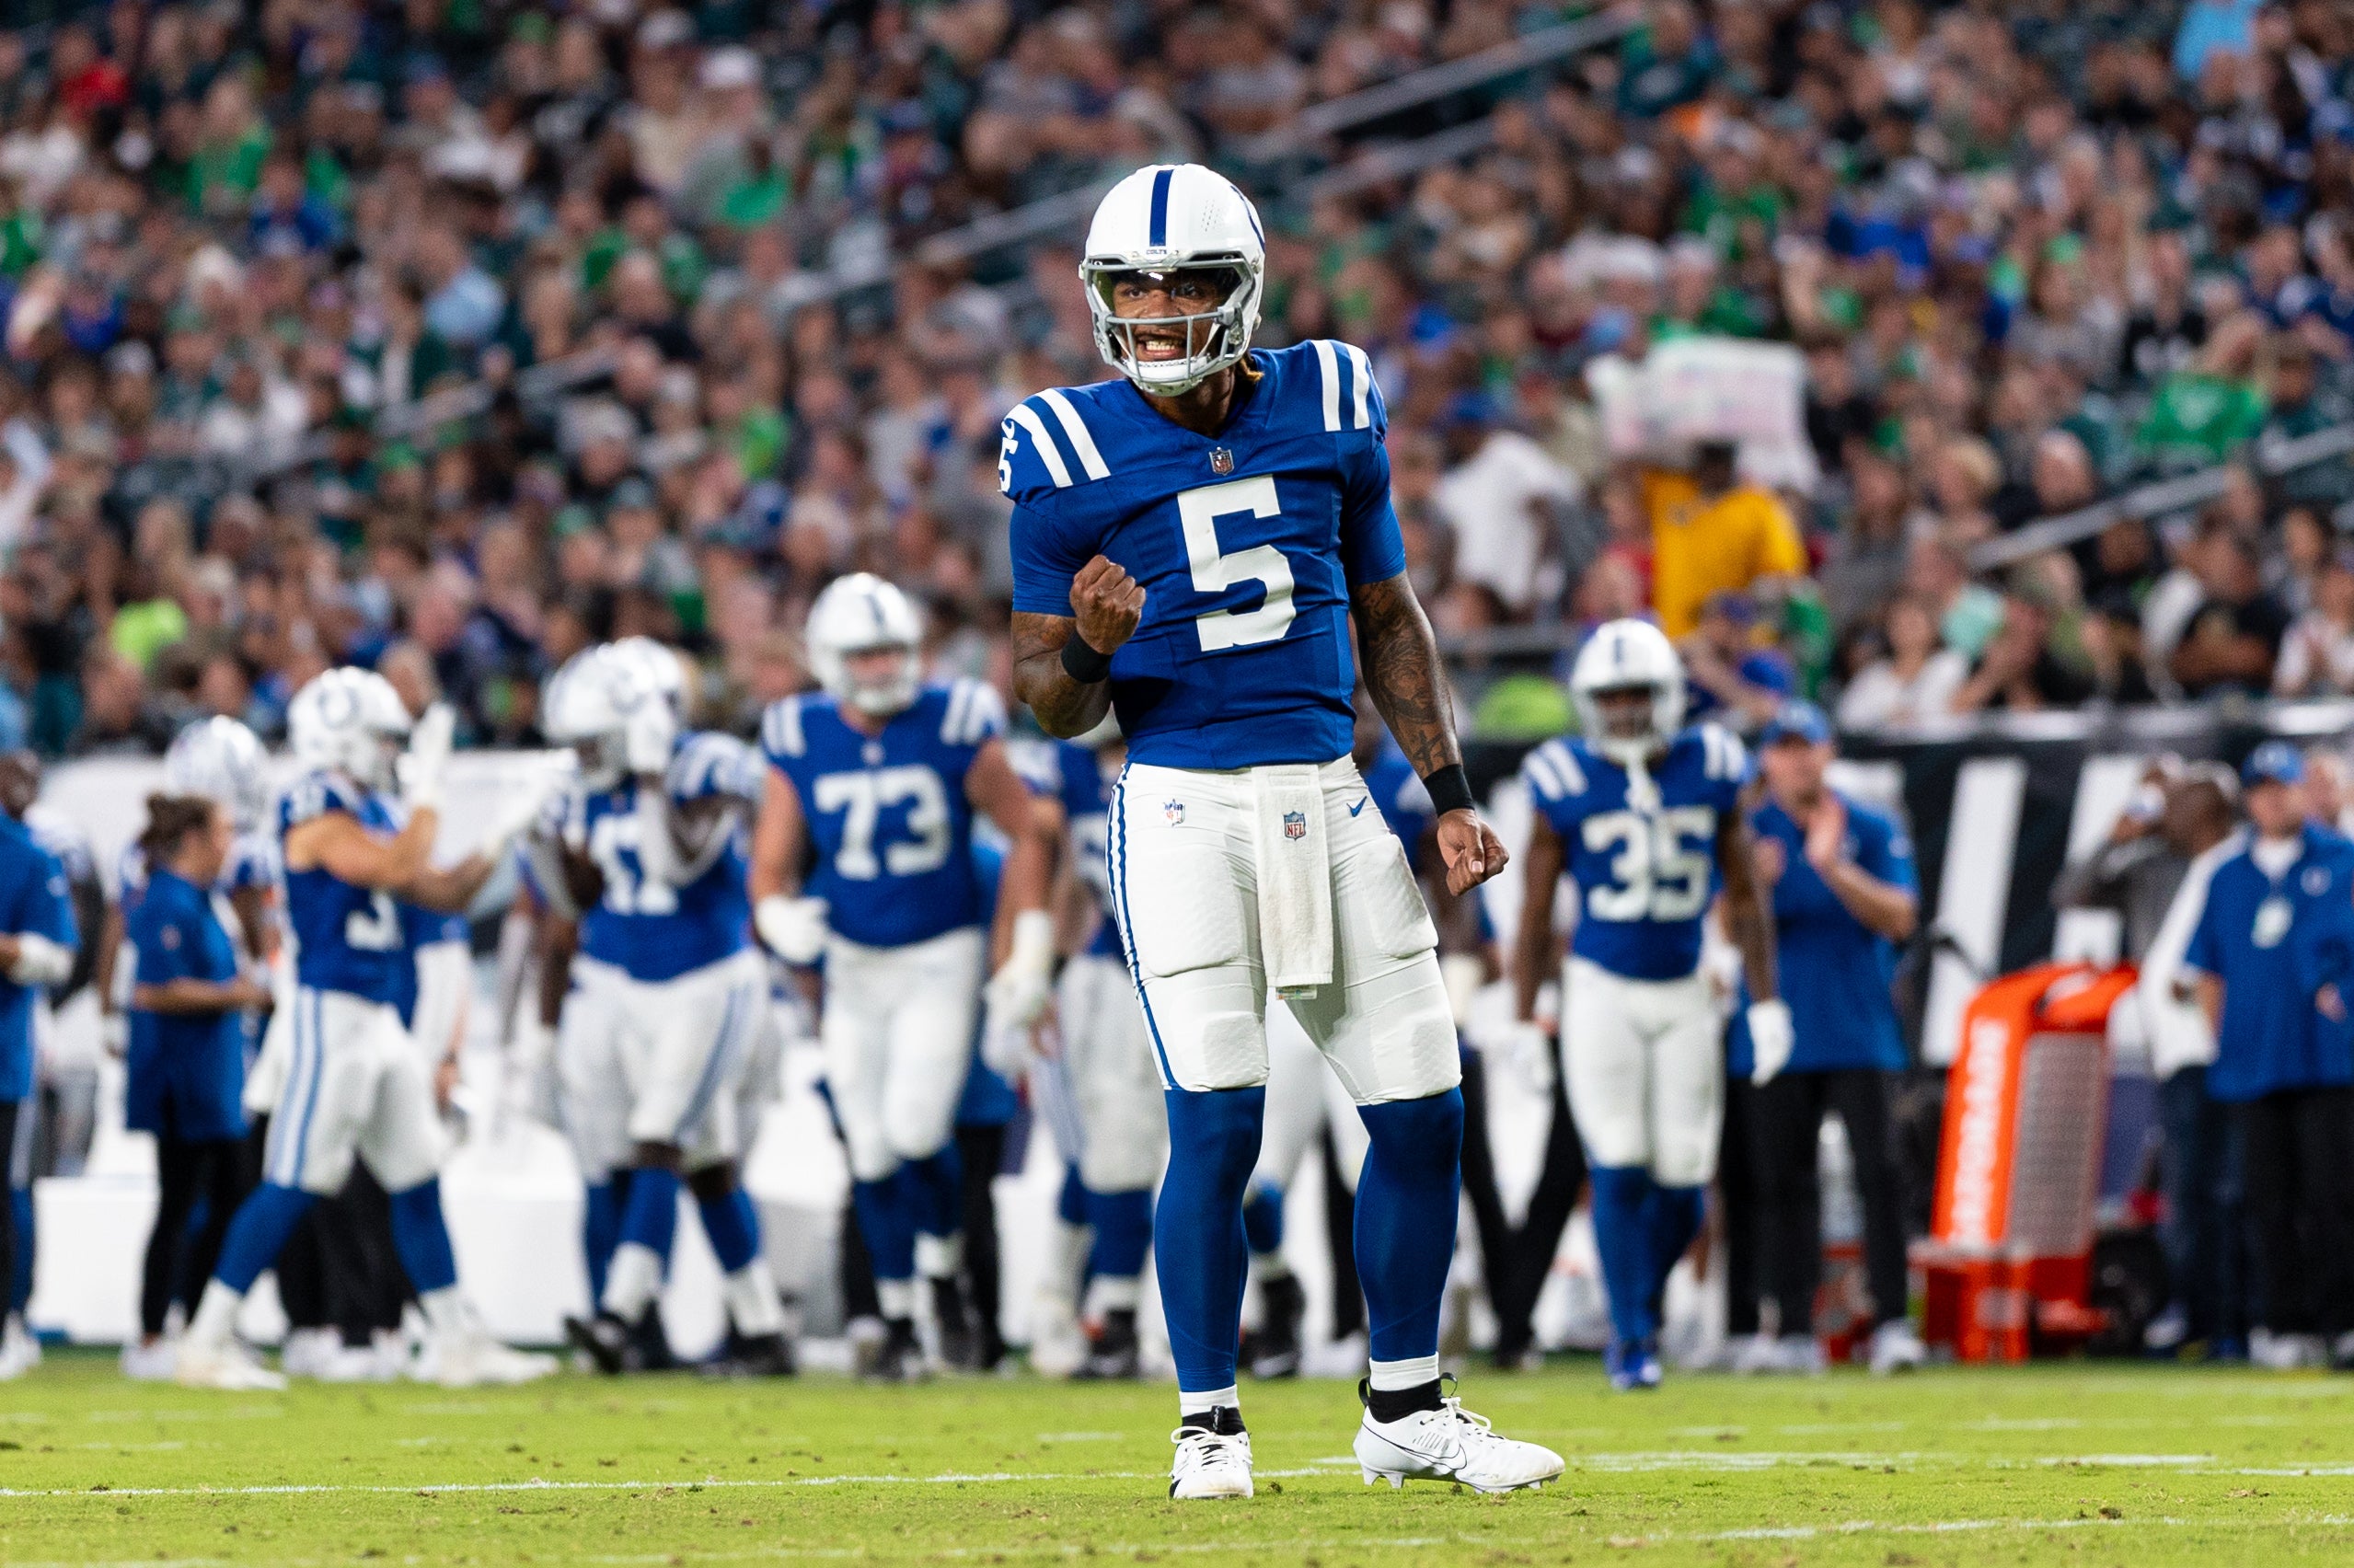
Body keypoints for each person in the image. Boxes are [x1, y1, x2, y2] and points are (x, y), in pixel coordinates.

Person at [1005, 162, 1560, 1499]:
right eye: (1128, 286)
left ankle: (1407, 1410)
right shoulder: (1060, 444)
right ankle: (1206, 1424)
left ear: (1240, 287)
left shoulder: (1328, 394)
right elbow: (1043, 705)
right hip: (1183, 806)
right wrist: (1087, 641)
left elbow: (1385, 611)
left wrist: (1450, 795)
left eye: (1181, 280)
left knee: (1423, 1110)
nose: (1151, 308)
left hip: (1330, 792)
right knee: (1218, 1118)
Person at [174, 669, 556, 1389]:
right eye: (382, 736)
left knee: (416, 1179)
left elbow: (440, 890)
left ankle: (453, 1343)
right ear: (343, 737)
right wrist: (434, 792)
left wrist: (504, 832)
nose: (393, 750)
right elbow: (400, 863)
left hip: (377, 1016)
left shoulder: (369, 810)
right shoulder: (313, 805)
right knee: (295, 1181)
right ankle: (205, 1340)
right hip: (331, 1014)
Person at [751, 574, 1055, 1381]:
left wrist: (1025, 945)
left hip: (939, 955)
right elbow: (770, 863)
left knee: (920, 1131)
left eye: (894, 650)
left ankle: (944, 1272)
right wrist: (776, 915)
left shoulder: (955, 720)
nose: (885, 667)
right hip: (853, 964)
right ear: (828, 658)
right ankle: (892, 1316)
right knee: (872, 1149)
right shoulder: (797, 731)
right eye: (867, 653)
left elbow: (1027, 831)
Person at [1509, 618, 1783, 1390]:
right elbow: (1535, 912)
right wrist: (1526, 1017)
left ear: (1668, 697)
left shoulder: (1715, 763)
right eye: (1611, 697)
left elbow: (1749, 895)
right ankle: (1632, 1338)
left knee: (1685, 1185)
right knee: (1620, 1163)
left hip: (1688, 986)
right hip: (1600, 987)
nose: (1625, 712)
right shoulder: (1563, 774)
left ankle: (1638, 1302)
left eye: (1638, 696)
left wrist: (1767, 1003)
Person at [538, 640, 796, 1378]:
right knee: (708, 1165)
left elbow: (674, 864)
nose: (584, 755)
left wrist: (653, 777)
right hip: (632, 989)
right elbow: (578, 904)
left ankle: (620, 1314)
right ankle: (764, 1332)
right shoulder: (596, 783)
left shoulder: (705, 763)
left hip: (711, 982)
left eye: (595, 739)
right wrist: (540, 842)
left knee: (658, 1139)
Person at [1728, 701, 1923, 1377]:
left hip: (1859, 1028)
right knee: (1780, 1182)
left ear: (1828, 751)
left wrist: (1832, 866)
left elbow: (1900, 918)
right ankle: (1788, 1327)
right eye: (1784, 747)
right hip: (1774, 1029)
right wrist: (1756, 884)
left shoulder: (1866, 826)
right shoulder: (1749, 832)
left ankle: (1894, 1323)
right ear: (1766, 759)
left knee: (1881, 1176)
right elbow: (1726, 930)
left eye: (1807, 746)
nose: (1798, 759)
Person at [2182, 743, 2354, 1371]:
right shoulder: (2227, 876)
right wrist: (2226, 1038)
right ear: (2248, 799)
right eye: (2261, 788)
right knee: (2267, 1202)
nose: (2273, 798)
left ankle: (2343, 1322)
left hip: (2329, 1061)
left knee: (2335, 1197)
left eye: (2283, 786)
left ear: (2301, 791)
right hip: (2253, 1065)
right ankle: (2283, 1324)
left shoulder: (2344, 859)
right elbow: (2206, 970)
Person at [1010, 725, 1167, 1380]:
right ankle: (1100, 1314)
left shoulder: (1180, 737)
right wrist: (1038, 969)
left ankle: (1267, 1303)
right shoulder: (1069, 766)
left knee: (1227, 1157)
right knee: (1103, 1151)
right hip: (1105, 973)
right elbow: (1067, 876)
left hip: (1192, 968)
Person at [122, 794, 270, 1378]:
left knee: (231, 1201)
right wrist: (240, 993)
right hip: (180, 1083)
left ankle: (206, 1324)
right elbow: (153, 990)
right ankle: (154, 1332)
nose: (230, 842)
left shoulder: (207, 900)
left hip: (214, 1081)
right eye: (224, 831)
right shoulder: (166, 898)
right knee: (181, 1206)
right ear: (196, 839)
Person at [2124, 766, 2249, 1356]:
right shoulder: (2196, 867)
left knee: (2220, 1194)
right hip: (2183, 1059)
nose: (2164, 811)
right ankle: (2199, 1316)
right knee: (2192, 1195)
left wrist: (2193, 995)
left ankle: (2226, 1321)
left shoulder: (2233, 866)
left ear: (2209, 809)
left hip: (2212, 1056)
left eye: (2179, 801)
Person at [0, 782, 75, 1378]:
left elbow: (58, 957)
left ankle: (9, 1322)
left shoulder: (26, 856)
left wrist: (9, 949)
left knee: (5, 1194)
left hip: (4, 1057)